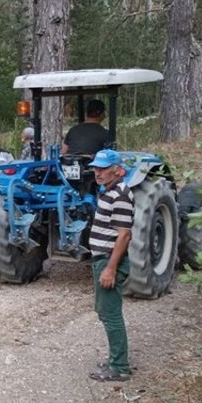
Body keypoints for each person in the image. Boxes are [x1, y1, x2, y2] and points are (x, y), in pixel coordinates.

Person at [86, 149, 134, 382]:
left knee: (111, 313)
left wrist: (111, 268)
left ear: (118, 170)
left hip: (108, 260)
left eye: (103, 168)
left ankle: (119, 367)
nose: (98, 172)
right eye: (96, 168)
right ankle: (116, 360)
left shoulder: (121, 195)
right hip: (102, 259)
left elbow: (124, 235)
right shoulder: (109, 192)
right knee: (105, 311)